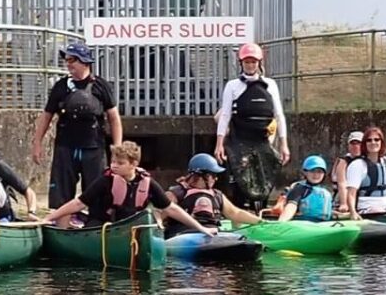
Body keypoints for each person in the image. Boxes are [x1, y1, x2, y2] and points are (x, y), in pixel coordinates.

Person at [43, 141, 213, 236]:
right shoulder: (106, 180)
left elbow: (172, 209)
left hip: (129, 228)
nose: (114, 166)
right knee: (92, 226)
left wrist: (201, 228)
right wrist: (49, 218)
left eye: (120, 163)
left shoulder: (147, 183)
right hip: (102, 226)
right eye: (113, 162)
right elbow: (78, 204)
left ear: (134, 164)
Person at [33, 41, 122, 208]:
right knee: (61, 195)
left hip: (94, 147)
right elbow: (46, 116)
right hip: (66, 147)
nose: (68, 64)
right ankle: (61, 228)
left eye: (72, 60)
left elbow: (114, 118)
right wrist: (37, 142)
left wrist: (117, 148)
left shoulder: (101, 86)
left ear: (85, 62)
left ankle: (95, 226)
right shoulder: (60, 87)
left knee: (97, 195)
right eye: (66, 60)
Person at [212, 42, 290, 209]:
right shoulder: (232, 86)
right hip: (239, 140)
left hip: (263, 140)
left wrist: (284, 144)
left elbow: (279, 115)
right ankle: (240, 211)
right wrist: (219, 144)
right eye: (247, 62)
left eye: (253, 62)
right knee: (241, 180)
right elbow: (225, 115)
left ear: (259, 63)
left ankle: (260, 211)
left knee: (266, 176)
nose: (250, 65)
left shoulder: (270, 85)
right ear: (241, 63)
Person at [166, 153, 262, 235]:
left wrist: (260, 222)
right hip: (182, 234)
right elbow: (159, 214)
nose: (216, 179)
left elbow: (235, 213)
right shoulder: (176, 193)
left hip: (212, 233)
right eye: (213, 175)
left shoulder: (217, 195)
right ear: (201, 176)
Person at [276, 155, 335, 222]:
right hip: (302, 224)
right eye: (312, 171)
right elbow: (291, 207)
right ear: (305, 172)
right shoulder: (299, 189)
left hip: (323, 225)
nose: (316, 175)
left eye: (319, 172)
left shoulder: (326, 192)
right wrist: (281, 222)